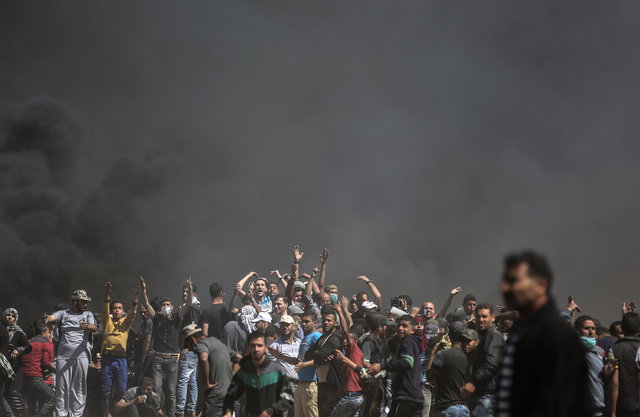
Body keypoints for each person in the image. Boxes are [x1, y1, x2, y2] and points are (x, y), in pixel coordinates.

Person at [495, 250, 591, 417]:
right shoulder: (522, 332)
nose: (505, 288)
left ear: (540, 285)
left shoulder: (556, 335)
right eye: (505, 281)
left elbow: (561, 402)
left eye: (513, 281)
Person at [139, 276, 193, 417]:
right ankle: (157, 413)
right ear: (160, 308)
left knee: (171, 391)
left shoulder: (176, 318)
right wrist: (144, 289)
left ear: (172, 307)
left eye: (168, 305)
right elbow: (145, 303)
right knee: (156, 389)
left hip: (173, 360)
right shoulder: (156, 318)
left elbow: (188, 303)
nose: (166, 307)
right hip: (158, 359)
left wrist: (190, 288)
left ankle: (171, 414)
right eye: (163, 305)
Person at [44, 289, 97, 417]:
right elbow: (52, 317)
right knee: (62, 387)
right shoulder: (63, 313)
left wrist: (87, 326)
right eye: (83, 301)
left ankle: (76, 415)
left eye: (86, 302)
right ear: (75, 301)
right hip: (63, 356)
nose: (85, 304)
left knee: (79, 387)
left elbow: (94, 327)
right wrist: (47, 318)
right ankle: (61, 414)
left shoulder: (88, 314)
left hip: (81, 356)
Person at [222, 331, 294, 417]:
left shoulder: (276, 371)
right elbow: (230, 395)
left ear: (266, 347)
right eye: (253, 346)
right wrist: (228, 412)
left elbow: (288, 398)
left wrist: (271, 410)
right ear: (248, 348)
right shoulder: (244, 373)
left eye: (259, 346)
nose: (256, 349)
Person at [367, 315, 423, 417]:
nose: (400, 328)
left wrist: (381, 366)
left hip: (405, 396)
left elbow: (407, 362)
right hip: (417, 397)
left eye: (404, 326)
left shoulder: (407, 341)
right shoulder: (414, 343)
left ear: (413, 330)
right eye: (399, 325)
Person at [101, 281, 139, 417]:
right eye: (115, 308)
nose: (117, 310)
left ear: (123, 312)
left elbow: (133, 312)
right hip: (107, 358)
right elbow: (105, 308)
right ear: (112, 311)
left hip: (121, 359)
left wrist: (136, 295)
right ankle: (107, 412)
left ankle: (118, 411)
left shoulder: (126, 323)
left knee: (122, 388)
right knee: (106, 388)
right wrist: (107, 293)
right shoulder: (107, 321)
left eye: (119, 308)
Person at [181, 324, 235, 417]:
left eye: (187, 346)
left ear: (192, 340)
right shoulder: (218, 344)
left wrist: (206, 384)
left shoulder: (201, 345)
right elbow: (239, 359)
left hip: (216, 397)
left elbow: (203, 359)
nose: (189, 350)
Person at [460, 303, 504, 417]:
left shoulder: (493, 335)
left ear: (492, 318)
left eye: (484, 316)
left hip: (487, 396)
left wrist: (473, 382)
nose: (481, 320)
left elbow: (491, 364)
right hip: (481, 396)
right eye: (478, 316)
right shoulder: (484, 337)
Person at [427, 328, 470, 417]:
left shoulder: (442, 355)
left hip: (445, 408)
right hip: (464, 408)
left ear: (449, 337)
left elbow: (429, 377)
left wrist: (433, 353)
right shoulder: (470, 357)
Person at [608, 312, 640, 417]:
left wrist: (612, 412)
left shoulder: (615, 349)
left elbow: (615, 384)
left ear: (622, 328)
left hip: (624, 405)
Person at [177, 282, 201, 417]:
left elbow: (192, 328)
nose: (184, 294)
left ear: (193, 293)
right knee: (191, 381)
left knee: (183, 380)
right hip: (193, 350)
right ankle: (191, 411)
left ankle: (180, 411)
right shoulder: (190, 307)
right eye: (183, 291)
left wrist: (186, 346)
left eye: (188, 291)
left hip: (189, 350)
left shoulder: (192, 307)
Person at [573, 315, 606, 417]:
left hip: (598, 407)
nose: (591, 332)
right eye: (587, 328)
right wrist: (569, 311)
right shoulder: (574, 350)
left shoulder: (600, 351)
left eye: (593, 328)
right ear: (578, 331)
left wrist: (607, 373)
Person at [21, 322, 55, 417]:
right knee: (51, 398)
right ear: (43, 333)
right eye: (48, 332)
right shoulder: (45, 343)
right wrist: (55, 369)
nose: (49, 335)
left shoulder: (28, 342)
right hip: (36, 378)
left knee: (31, 406)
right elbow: (46, 362)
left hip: (25, 378)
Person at [294, 312, 322, 417]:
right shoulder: (305, 338)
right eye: (302, 321)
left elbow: (321, 358)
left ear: (315, 323)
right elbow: (298, 361)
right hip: (301, 382)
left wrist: (304, 365)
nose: (304, 324)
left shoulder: (317, 337)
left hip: (311, 383)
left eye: (307, 321)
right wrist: (280, 356)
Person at [3, 307, 29, 417]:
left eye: (12, 316)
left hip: (15, 368)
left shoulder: (18, 332)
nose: (10, 317)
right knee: (4, 393)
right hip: (2, 367)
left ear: (16, 318)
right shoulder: (2, 329)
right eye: (8, 315)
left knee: (14, 393)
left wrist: (17, 350)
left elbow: (28, 347)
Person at [268, 315, 302, 391]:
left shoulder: (299, 343)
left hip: (301, 383)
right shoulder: (275, 345)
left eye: (287, 325)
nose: (285, 327)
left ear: (293, 326)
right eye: (282, 325)